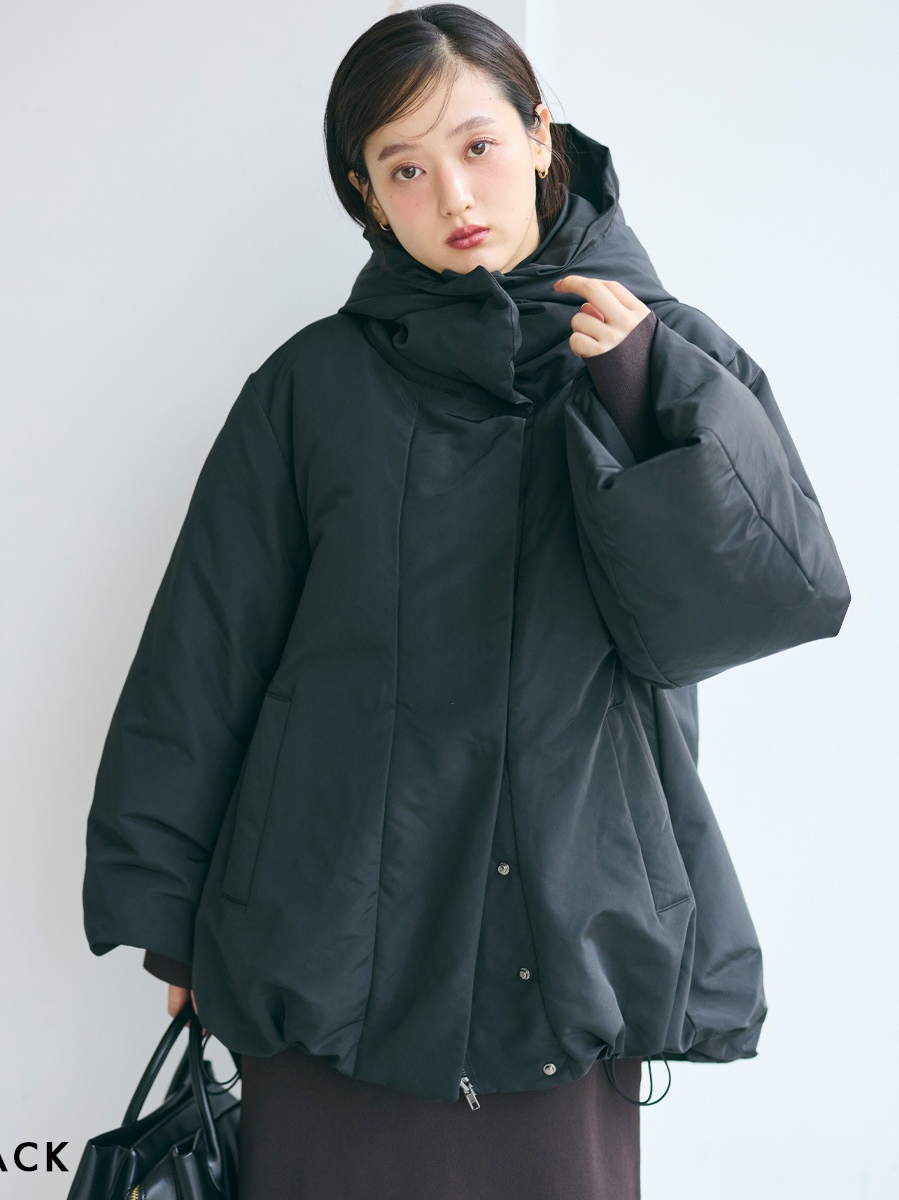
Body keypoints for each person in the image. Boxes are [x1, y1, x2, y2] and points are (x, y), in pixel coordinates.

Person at [82, 5, 851, 1197]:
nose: (452, 195)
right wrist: (169, 913)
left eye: (478, 146)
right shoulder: (308, 388)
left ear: (539, 137)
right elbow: (206, 651)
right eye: (404, 167)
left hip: (568, 932)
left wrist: (639, 395)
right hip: (323, 938)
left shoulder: (666, 358)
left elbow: (764, 601)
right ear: (365, 192)